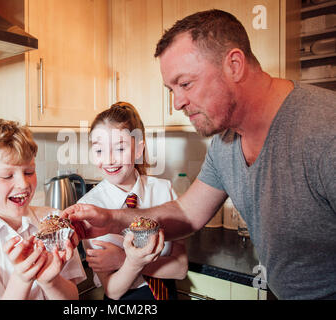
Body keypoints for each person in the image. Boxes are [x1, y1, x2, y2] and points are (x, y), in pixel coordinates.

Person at [64, 10, 336, 300]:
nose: (177, 102)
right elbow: (186, 214)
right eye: (171, 89)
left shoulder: (323, 130)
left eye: (185, 84)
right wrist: (111, 218)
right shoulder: (226, 141)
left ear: (234, 64)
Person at [0, 119, 86, 300]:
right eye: (7, 176)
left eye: (29, 172)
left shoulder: (54, 220)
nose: (23, 184)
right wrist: (22, 279)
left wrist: (50, 282)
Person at [78, 102, 187, 300]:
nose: (109, 160)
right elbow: (113, 289)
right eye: (99, 150)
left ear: (138, 150)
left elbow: (180, 269)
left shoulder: (164, 191)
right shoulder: (90, 208)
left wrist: (123, 260)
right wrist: (140, 264)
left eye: (120, 148)